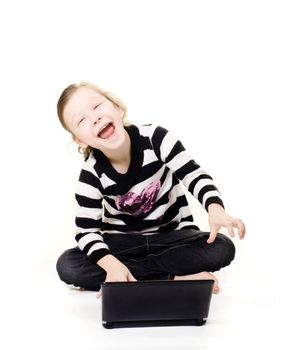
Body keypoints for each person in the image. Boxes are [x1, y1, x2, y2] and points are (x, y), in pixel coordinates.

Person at [56, 81, 246, 297]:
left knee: (222, 247)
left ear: (117, 107)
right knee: (68, 265)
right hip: (123, 244)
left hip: (170, 238)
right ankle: (173, 278)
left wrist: (215, 209)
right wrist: (110, 264)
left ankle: (128, 276)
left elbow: (193, 174)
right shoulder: (91, 173)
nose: (95, 118)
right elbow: (86, 232)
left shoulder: (156, 139)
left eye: (97, 106)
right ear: (80, 140)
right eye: (81, 120)